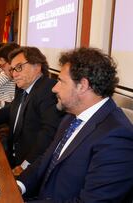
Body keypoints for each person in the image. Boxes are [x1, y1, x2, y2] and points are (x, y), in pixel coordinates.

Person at [16, 47, 133, 202]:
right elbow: (47, 158)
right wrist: (18, 186)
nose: (54, 88)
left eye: (61, 81)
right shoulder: (71, 117)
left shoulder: (116, 137)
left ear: (82, 86)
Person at [0, 46, 64, 175]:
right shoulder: (23, 87)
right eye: (13, 69)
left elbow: (48, 134)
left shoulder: (48, 89)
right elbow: (9, 111)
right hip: (13, 157)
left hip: (30, 166)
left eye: (19, 67)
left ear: (37, 66)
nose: (14, 74)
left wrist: (26, 165)